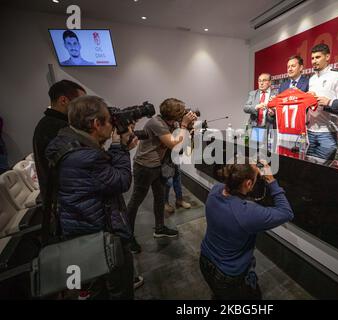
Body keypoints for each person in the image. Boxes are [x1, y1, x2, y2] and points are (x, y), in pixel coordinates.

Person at [45, 95, 138, 299]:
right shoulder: (86, 157)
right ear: (96, 124)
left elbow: (97, 178)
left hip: (78, 228)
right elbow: (121, 181)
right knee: (119, 288)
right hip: (100, 235)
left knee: (95, 287)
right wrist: (120, 147)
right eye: (108, 121)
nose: (112, 126)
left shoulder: (63, 141)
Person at [199, 160, 294, 299]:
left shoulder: (215, 190)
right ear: (249, 184)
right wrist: (271, 180)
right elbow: (287, 212)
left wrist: (247, 167)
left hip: (205, 260)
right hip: (228, 274)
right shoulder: (248, 213)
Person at [127, 98, 197, 253]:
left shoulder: (172, 123)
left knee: (159, 197)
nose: (184, 113)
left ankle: (159, 228)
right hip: (144, 167)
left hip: (157, 166)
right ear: (174, 114)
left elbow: (182, 142)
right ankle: (128, 237)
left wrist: (188, 126)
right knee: (135, 201)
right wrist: (184, 125)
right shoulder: (156, 123)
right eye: (182, 111)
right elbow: (174, 144)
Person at [33, 80, 86, 202]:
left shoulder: (46, 123)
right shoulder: (58, 128)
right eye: (81, 103)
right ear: (63, 100)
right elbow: (78, 169)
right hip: (66, 202)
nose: (85, 108)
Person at [307, 44, 338, 152]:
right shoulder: (312, 79)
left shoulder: (337, 75)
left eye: (318, 57)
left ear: (327, 57)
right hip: (309, 131)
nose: (314, 61)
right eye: (312, 58)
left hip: (328, 133)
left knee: (324, 168)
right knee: (307, 167)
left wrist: (325, 104)